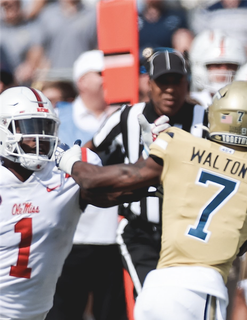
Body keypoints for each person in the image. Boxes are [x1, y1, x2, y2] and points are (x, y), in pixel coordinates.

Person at [56, 80, 247, 320]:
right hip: (201, 288)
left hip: (157, 287)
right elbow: (244, 243)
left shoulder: (179, 144)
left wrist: (71, 161)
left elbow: (100, 187)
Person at [83, 49, 208, 303]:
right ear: (149, 84)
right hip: (141, 230)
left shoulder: (205, 120)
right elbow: (89, 152)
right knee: (153, 302)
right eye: (163, 82)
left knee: (186, 304)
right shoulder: (126, 117)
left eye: (177, 82)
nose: (170, 90)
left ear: (188, 83)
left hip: (189, 233)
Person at [0, 86, 104, 319]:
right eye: (29, 127)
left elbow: (114, 190)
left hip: (37, 311)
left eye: (44, 127)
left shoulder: (65, 170)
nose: (39, 138)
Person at [46, 50, 127, 320]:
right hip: (70, 234)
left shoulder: (126, 116)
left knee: (111, 312)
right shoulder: (57, 117)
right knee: (63, 311)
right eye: (101, 74)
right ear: (82, 81)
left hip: (112, 235)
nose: (108, 81)